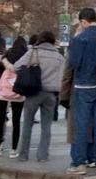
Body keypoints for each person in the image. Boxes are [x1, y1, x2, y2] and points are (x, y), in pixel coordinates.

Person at [67, 8, 96, 174]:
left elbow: (74, 62)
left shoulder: (81, 38)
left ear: (83, 21)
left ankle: (80, 163)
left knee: (81, 125)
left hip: (83, 85)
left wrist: (77, 37)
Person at [13, 31, 64, 163]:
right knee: (46, 126)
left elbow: (16, 66)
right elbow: (63, 75)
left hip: (33, 92)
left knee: (27, 124)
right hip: (51, 94)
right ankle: (42, 156)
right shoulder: (59, 56)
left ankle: (23, 155)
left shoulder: (33, 52)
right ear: (53, 41)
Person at [0, 35, 29, 158]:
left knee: (0, 120)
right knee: (16, 121)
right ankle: (13, 150)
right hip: (18, 92)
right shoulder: (26, 57)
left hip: (3, 92)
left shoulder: (6, 56)